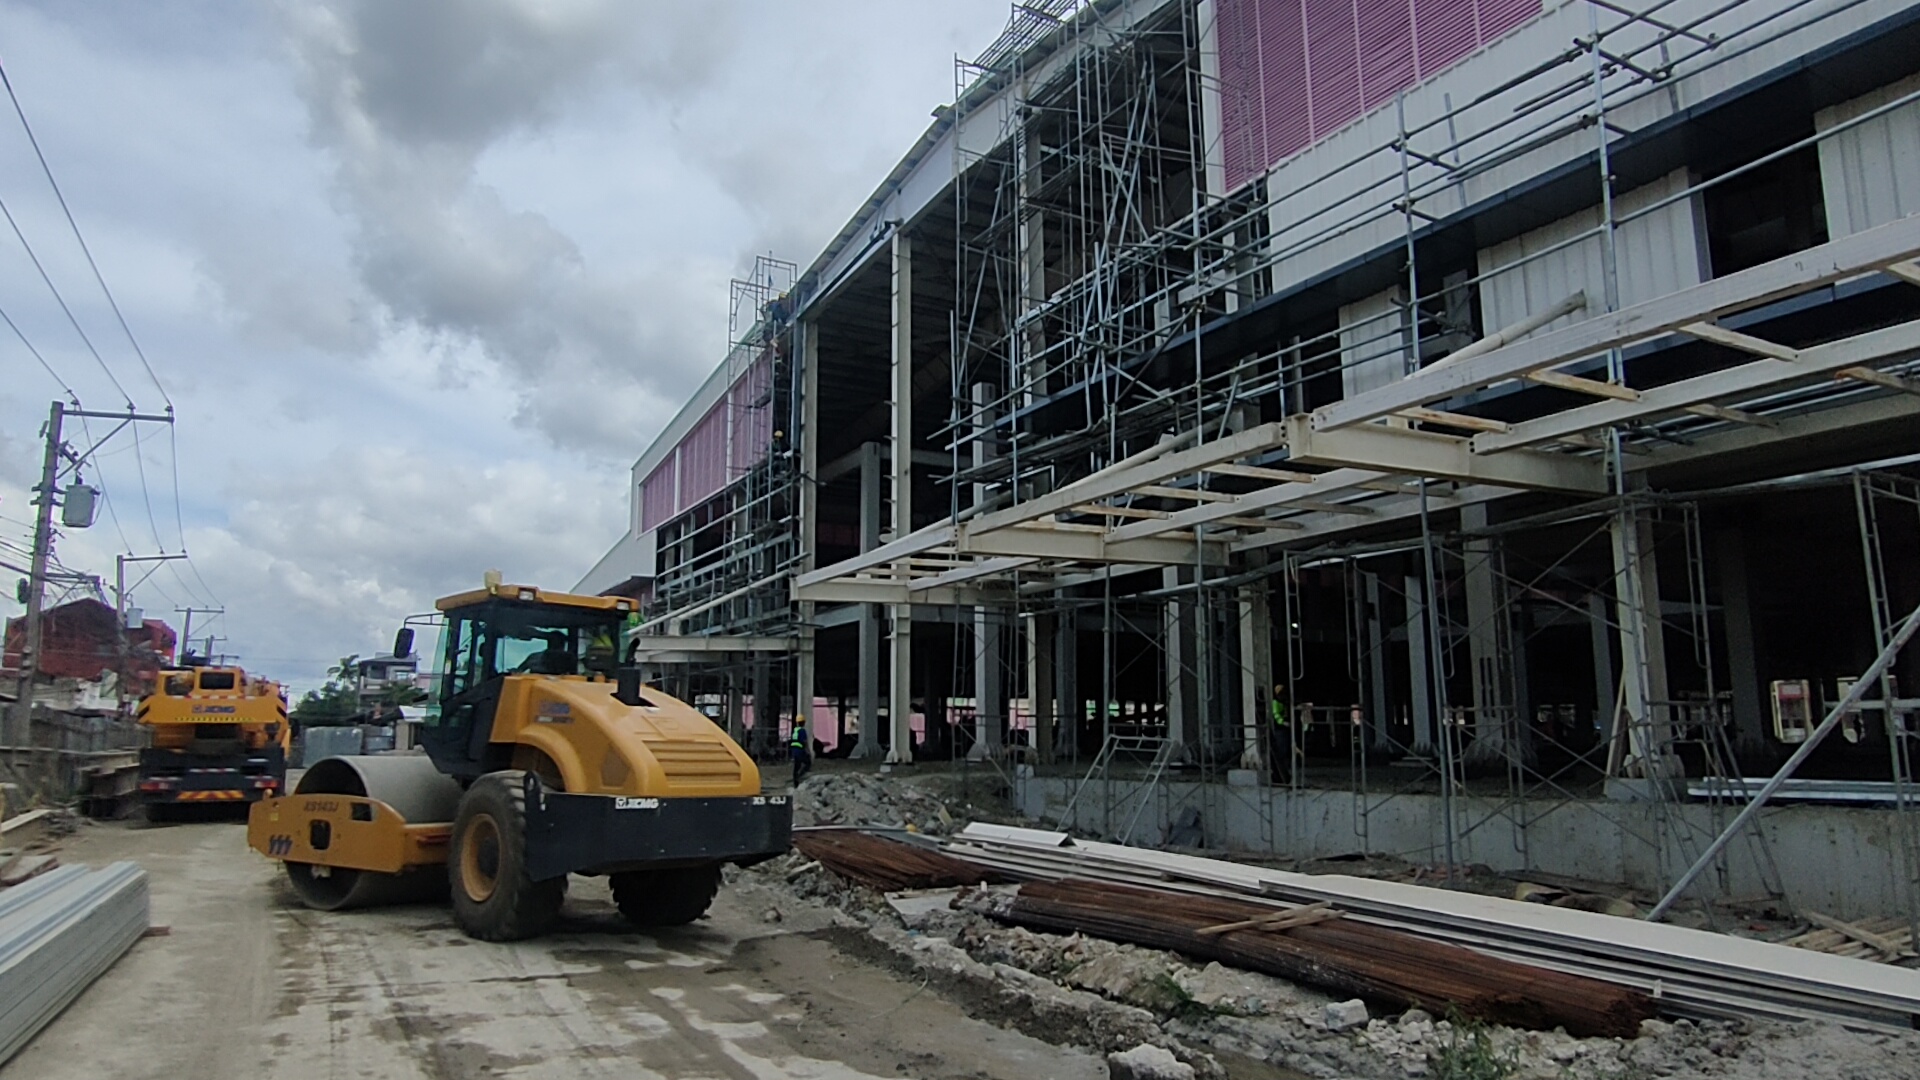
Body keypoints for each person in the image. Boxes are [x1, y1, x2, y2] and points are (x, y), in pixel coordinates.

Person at [1268, 684, 1291, 783]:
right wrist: (1283, 722)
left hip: (1283, 729)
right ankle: (1278, 775)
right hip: (1279, 729)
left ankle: (1283, 774)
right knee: (1280, 752)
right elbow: (1276, 715)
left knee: (1284, 752)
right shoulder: (1275, 702)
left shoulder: (1283, 702)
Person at [789, 717, 813, 786]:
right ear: (803, 722)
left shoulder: (795, 730)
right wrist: (808, 751)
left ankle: (795, 782)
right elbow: (804, 741)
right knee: (808, 762)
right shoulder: (802, 731)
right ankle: (800, 775)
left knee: (796, 766)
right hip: (800, 750)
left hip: (794, 750)